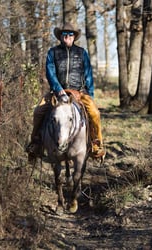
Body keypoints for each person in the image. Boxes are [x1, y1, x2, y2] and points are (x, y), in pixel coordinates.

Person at [26, 22, 105, 160]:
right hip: (57, 93)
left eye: (70, 34)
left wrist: (89, 95)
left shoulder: (82, 53)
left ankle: (96, 144)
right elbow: (50, 73)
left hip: (79, 93)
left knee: (94, 113)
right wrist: (58, 89)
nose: (67, 37)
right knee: (38, 112)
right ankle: (36, 143)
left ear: (74, 37)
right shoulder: (53, 52)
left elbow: (88, 75)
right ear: (60, 37)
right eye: (64, 34)